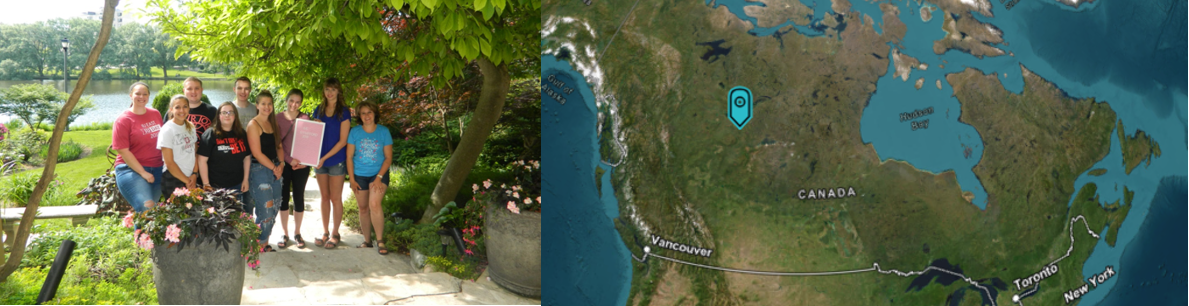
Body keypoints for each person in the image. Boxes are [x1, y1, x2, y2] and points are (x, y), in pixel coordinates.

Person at [346, 102, 392, 255]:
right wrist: (351, 179)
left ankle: (380, 240)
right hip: (359, 175)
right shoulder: (355, 132)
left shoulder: (384, 132)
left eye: (369, 112)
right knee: (363, 208)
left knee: (374, 204)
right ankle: (367, 241)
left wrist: (379, 177)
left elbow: (388, 158)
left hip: (378, 173)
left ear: (374, 114)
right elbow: (349, 156)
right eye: (363, 113)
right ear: (360, 116)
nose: (367, 115)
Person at [312, 78, 351, 249]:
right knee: (325, 197)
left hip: (335, 161)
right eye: (327, 89)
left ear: (338, 91)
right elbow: (312, 136)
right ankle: (325, 232)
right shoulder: (318, 110)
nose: (330, 92)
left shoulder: (344, 112)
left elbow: (343, 141)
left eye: (333, 89)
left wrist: (324, 157)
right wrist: (314, 126)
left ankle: (335, 233)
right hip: (319, 161)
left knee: (335, 198)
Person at [113, 82, 164, 212]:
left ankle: (142, 233)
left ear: (149, 96)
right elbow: (123, 151)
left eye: (145, 94)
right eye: (137, 94)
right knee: (146, 206)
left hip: (158, 168)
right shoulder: (123, 120)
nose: (141, 96)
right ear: (131, 95)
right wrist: (143, 173)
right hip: (131, 169)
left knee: (149, 213)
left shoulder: (155, 114)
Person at [246, 90, 285, 252]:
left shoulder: (273, 123)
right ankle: (258, 243)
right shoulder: (253, 125)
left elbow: (279, 147)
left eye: (269, 104)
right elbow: (257, 153)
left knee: (275, 207)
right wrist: (274, 168)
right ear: (257, 105)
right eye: (263, 104)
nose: (267, 107)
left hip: (276, 169)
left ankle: (260, 242)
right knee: (266, 210)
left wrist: (281, 164)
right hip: (259, 171)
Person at [197, 102, 251, 208]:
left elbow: (247, 158)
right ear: (219, 116)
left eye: (231, 112)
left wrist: (245, 180)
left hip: (237, 185)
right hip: (215, 187)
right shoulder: (210, 134)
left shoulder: (241, 134)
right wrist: (206, 184)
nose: (227, 115)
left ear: (235, 115)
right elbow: (201, 160)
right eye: (224, 112)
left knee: (236, 218)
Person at [277, 89, 311, 248]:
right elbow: (277, 145)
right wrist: (289, 160)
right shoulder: (277, 118)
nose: (294, 104)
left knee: (299, 197)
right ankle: (285, 233)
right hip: (285, 164)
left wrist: (306, 161)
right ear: (286, 100)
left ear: (301, 103)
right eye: (291, 100)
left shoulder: (306, 118)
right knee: (283, 198)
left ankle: (297, 233)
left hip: (301, 166)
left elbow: (310, 142)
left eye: (298, 102)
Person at [157, 95, 199, 196]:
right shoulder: (167, 130)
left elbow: (195, 152)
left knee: (192, 210)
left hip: (191, 178)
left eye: (185, 106)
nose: (182, 110)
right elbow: (169, 163)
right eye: (177, 107)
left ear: (189, 108)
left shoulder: (191, 126)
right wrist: (187, 181)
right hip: (173, 178)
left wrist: (194, 174)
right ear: (171, 110)